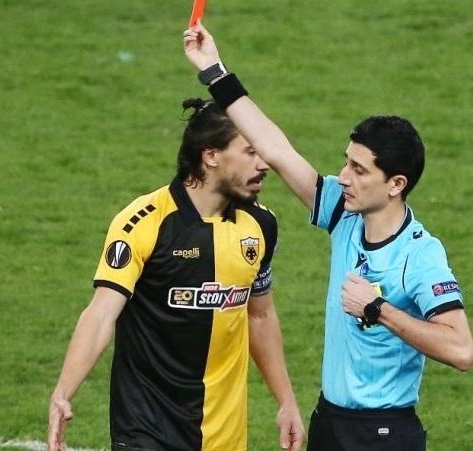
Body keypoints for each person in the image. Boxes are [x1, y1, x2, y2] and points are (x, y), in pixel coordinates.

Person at [183, 22, 473, 451]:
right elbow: (277, 150)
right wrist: (214, 71)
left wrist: (378, 309)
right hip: (330, 422)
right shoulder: (344, 212)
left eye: (359, 170)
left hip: (384, 433)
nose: (345, 177)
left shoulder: (419, 254)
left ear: (396, 184)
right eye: (346, 162)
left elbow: (461, 350)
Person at [47, 98, 304, 451]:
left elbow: (259, 315)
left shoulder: (260, 224)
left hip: (225, 436)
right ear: (210, 156)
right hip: (146, 428)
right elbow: (101, 313)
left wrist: (286, 401)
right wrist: (63, 392)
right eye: (250, 152)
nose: (265, 164)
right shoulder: (144, 222)